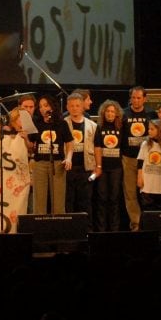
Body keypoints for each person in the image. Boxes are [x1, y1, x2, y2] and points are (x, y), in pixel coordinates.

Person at [120, 86, 158, 231]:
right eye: (133, 98)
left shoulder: (151, 114)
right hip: (128, 158)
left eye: (139, 98)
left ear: (144, 99)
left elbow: (158, 134)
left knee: (147, 192)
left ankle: (149, 223)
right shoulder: (123, 114)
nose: (136, 101)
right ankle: (135, 224)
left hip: (148, 159)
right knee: (130, 193)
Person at [30, 94, 73, 214]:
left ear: (52, 107)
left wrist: (68, 158)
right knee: (39, 200)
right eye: (40, 106)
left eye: (46, 105)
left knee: (58, 200)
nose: (43, 109)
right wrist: (25, 138)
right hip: (39, 164)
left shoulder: (61, 123)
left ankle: (58, 228)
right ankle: (39, 228)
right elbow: (30, 145)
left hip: (58, 163)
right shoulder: (36, 123)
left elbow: (70, 142)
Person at [63, 92, 97, 227]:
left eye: (77, 105)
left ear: (82, 106)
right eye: (71, 106)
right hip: (67, 169)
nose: (74, 108)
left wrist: (97, 168)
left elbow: (97, 148)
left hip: (86, 169)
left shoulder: (92, 126)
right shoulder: (63, 124)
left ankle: (87, 232)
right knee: (68, 201)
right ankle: (70, 231)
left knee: (86, 202)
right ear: (67, 106)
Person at [93, 99, 124, 232]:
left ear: (116, 113)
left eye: (113, 111)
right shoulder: (99, 127)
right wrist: (98, 167)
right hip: (102, 168)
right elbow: (97, 146)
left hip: (116, 168)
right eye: (108, 111)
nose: (110, 114)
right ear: (103, 113)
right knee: (102, 198)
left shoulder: (121, 127)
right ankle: (101, 230)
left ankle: (114, 230)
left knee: (114, 199)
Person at [136, 119, 161, 211]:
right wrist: (139, 178)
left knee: (160, 209)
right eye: (149, 129)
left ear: (159, 130)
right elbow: (140, 162)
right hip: (147, 183)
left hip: (160, 183)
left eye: (152, 129)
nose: (149, 131)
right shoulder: (146, 144)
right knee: (147, 209)